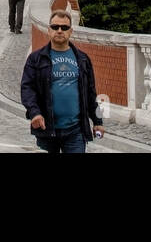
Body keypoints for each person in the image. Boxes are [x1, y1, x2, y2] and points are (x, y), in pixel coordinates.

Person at [20, 9, 104, 153]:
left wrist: (98, 122)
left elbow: (90, 93)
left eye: (64, 28)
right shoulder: (36, 59)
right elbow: (27, 89)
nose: (59, 31)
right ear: (49, 30)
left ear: (70, 31)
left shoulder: (82, 59)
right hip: (47, 129)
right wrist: (35, 113)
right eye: (55, 27)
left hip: (75, 131)